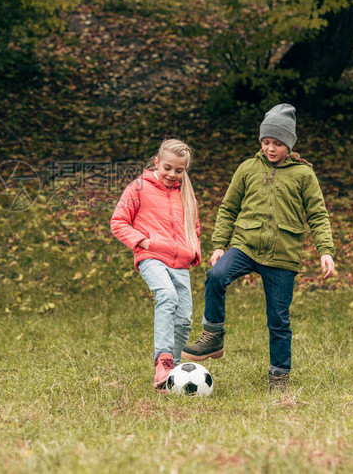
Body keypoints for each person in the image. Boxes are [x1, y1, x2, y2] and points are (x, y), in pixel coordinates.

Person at [182, 104, 336, 393]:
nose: (270, 148)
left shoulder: (304, 174)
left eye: (277, 143)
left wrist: (325, 251)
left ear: (289, 144)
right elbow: (228, 208)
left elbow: (318, 215)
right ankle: (213, 336)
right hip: (246, 245)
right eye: (266, 142)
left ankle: (279, 375)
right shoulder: (248, 168)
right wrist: (219, 246)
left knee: (278, 319)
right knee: (216, 277)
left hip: (283, 255)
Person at [111, 138, 202, 390]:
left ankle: (172, 371)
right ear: (156, 163)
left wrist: (194, 250)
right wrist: (143, 242)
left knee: (184, 320)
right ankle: (162, 360)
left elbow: (194, 226)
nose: (172, 174)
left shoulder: (186, 194)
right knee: (167, 296)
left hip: (180, 262)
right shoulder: (139, 187)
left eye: (179, 170)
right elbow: (118, 222)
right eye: (167, 168)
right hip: (151, 257)